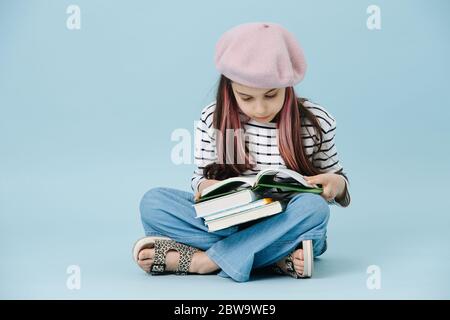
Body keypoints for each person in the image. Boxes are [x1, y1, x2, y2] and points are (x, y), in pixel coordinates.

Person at [132, 22, 351, 282]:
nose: (259, 108)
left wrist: (336, 184)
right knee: (153, 203)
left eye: (271, 95)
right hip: (230, 220)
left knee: (314, 209)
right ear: (229, 89)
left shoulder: (315, 121)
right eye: (246, 98)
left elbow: (338, 179)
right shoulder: (214, 118)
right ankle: (275, 259)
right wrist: (205, 186)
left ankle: (204, 261)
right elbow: (199, 177)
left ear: (288, 86)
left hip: (285, 223)